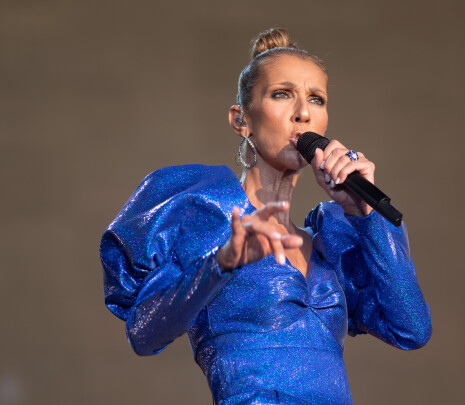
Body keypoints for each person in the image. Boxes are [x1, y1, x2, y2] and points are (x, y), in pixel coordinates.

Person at [100, 28, 431, 404]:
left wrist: (364, 214)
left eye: (316, 99)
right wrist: (221, 264)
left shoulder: (327, 241)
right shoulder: (211, 215)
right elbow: (143, 335)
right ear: (241, 120)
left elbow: (412, 329)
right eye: (282, 94)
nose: (303, 112)